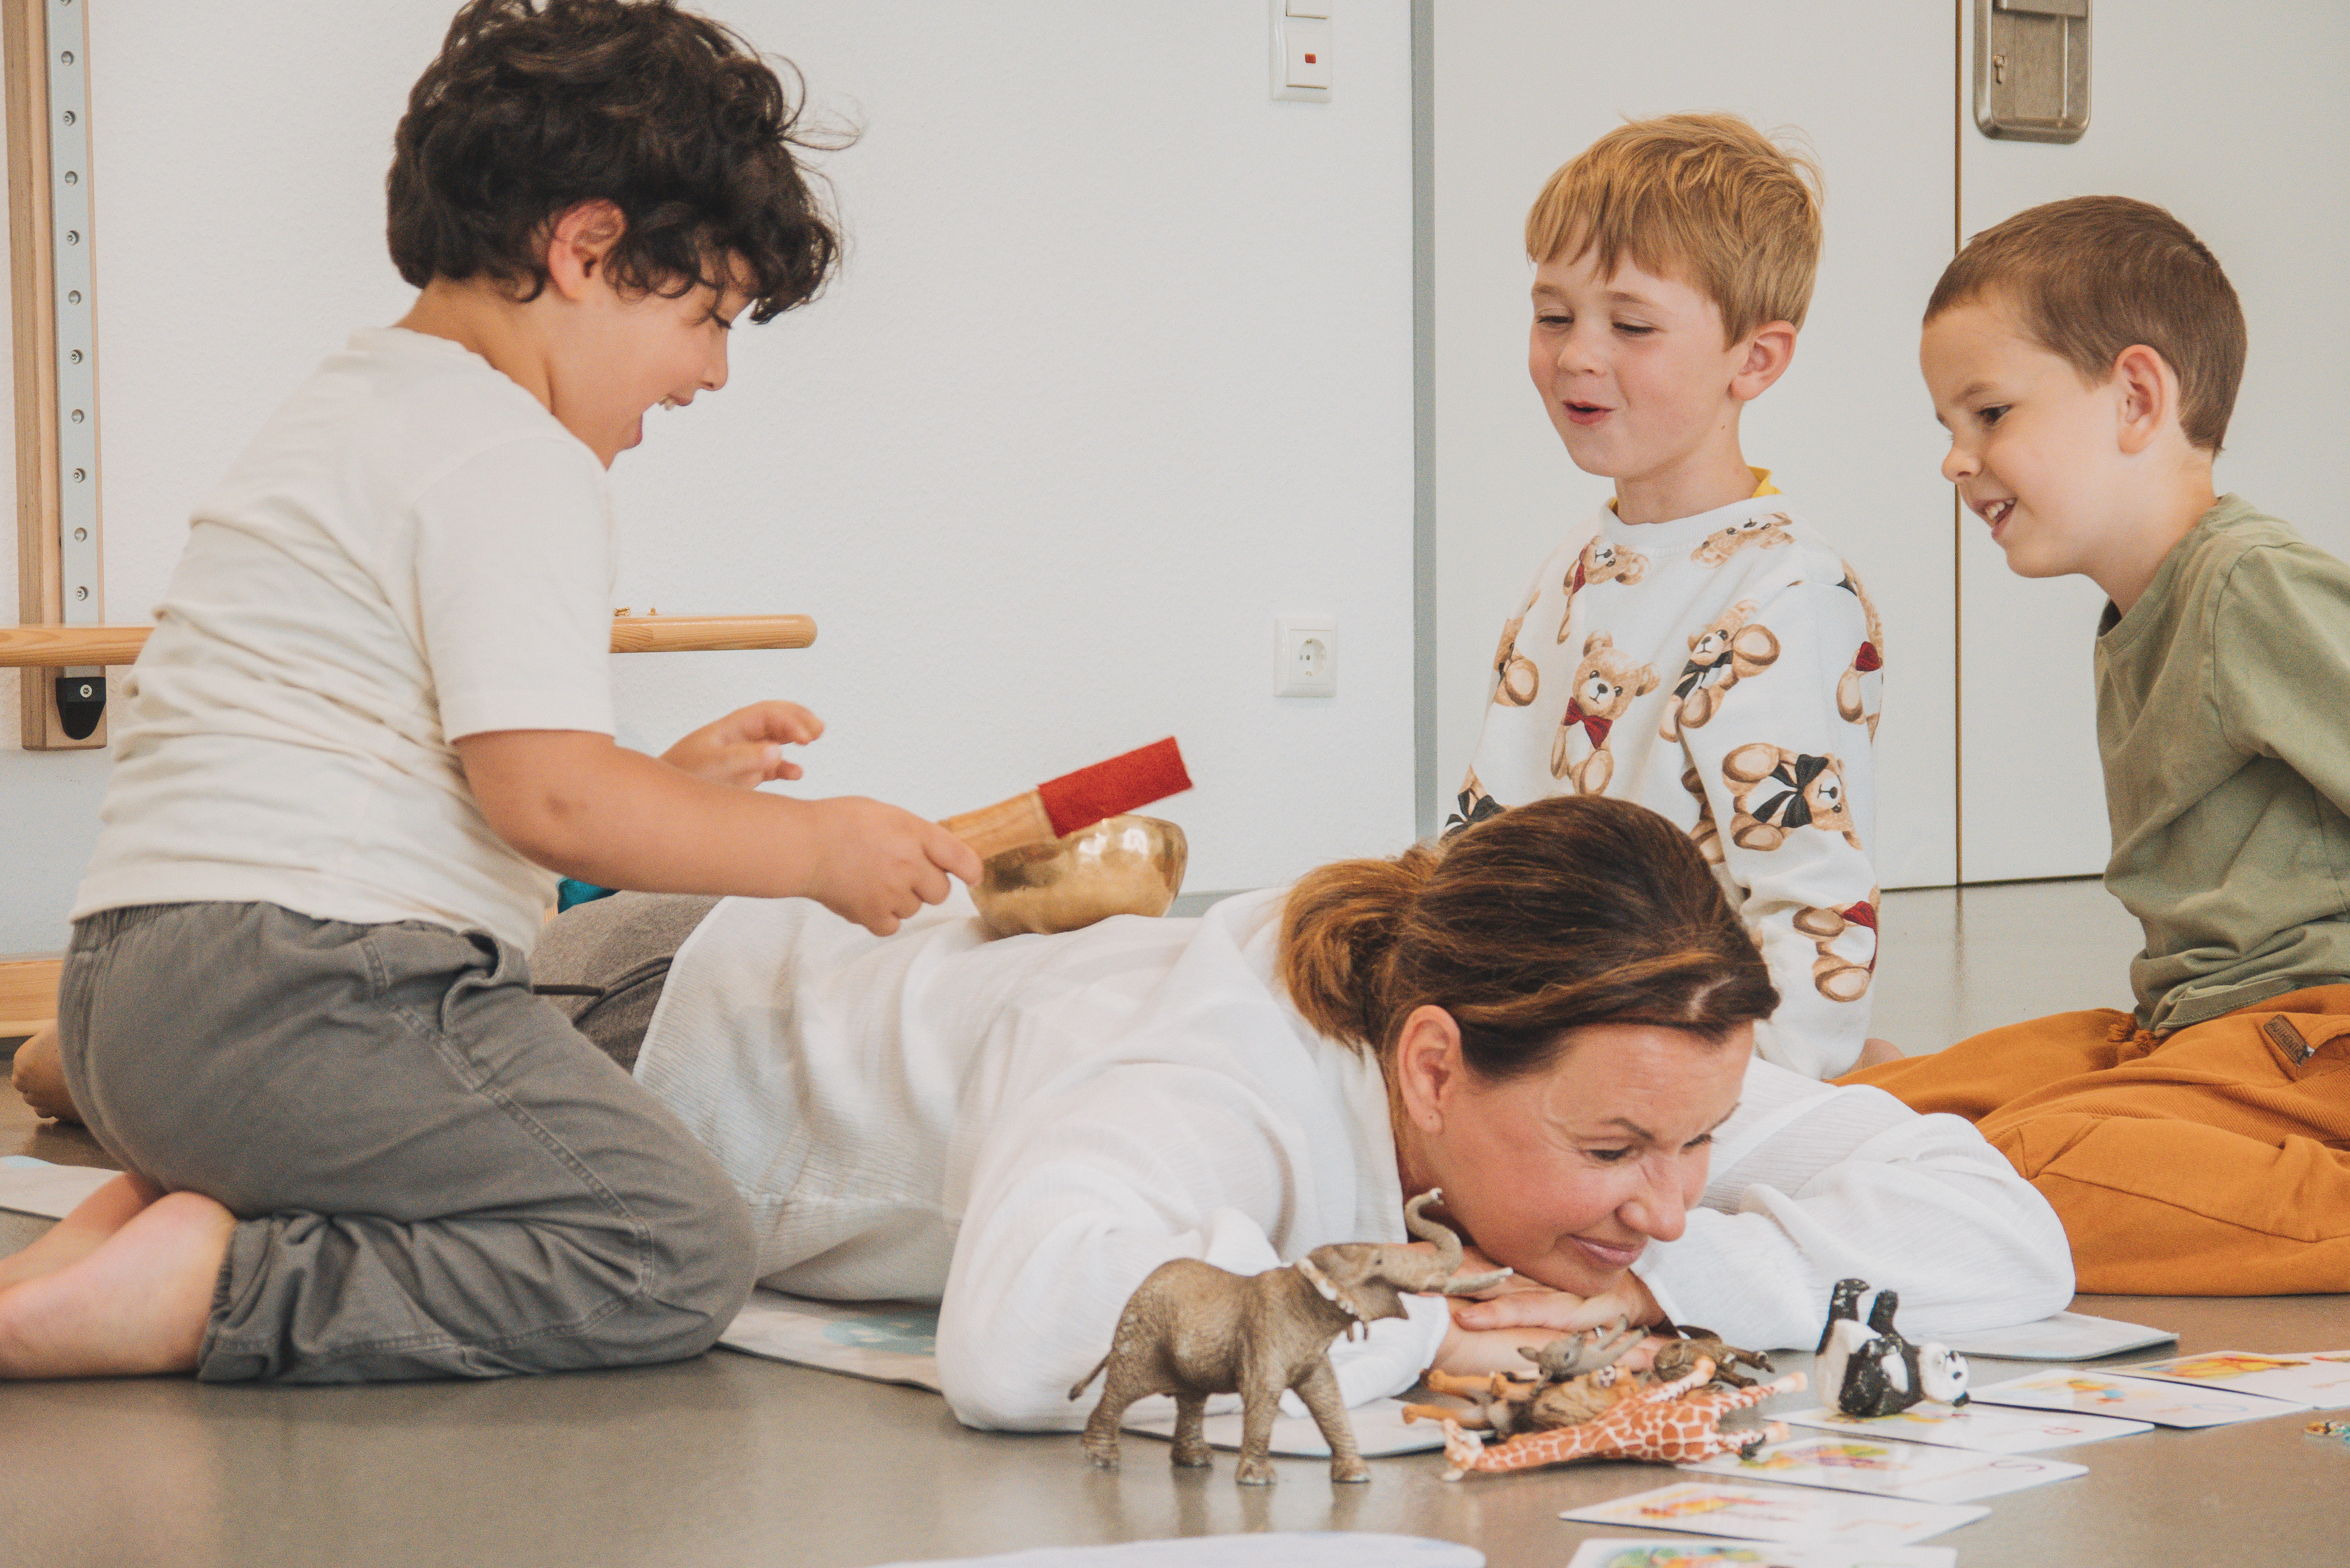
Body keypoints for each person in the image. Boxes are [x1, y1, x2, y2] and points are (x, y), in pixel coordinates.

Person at [0, 0, 980, 1383]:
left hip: (130, 1003)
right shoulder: (512, 455)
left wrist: (674, 786)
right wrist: (816, 849)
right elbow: (553, 798)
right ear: (585, 249)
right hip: (304, 991)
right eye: (706, 314)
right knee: (665, 1244)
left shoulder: (358, 405)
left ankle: (129, 1223)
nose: (708, 372)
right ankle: (209, 1287)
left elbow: (453, 768)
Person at [532, 795, 2072, 1430]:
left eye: (1702, 1146)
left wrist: (1683, 1274)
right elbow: (1012, 1340)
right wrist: (1408, 1324)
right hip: (636, 1026)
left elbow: (2008, 1232)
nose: (1665, 1194)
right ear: (1430, 1066)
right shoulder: (1210, 1066)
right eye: (1612, 1155)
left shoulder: (1624, 1051)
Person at [1849, 194, 2350, 1295]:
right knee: (1864, 1119)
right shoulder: (2148, 603)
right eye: (1948, 426)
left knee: (2011, 1174)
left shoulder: (2246, 582)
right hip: (2196, 1026)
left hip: (2313, 1037)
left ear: (2135, 397)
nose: (1955, 460)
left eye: (1988, 414)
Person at [1454, 114, 1885, 1081]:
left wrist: (1746, 1109)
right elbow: (1493, 820)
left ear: (1756, 360)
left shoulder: (1786, 593)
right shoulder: (1576, 559)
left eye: (1632, 326)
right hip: (1552, 1012)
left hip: (1680, 1063)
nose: (1576, 356)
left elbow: (1816, 914)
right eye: (1554, 316)